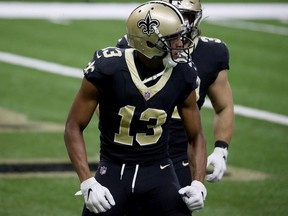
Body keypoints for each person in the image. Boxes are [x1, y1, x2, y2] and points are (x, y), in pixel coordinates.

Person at [64, 1, 207, 216]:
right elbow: (73, 126)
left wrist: (198, 183)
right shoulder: (108, 68)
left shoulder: (184, 73)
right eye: (173, 38)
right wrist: (87, 182)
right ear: (150, 42)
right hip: (113, 171)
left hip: (159, 172)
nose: (181, 43)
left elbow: (196, 136)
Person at [116, 0, 234, 187]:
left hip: (181, 156)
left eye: (185, 15)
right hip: (135, 151)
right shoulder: (134, 47)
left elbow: (224, 106)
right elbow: (105, 101)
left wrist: (221, 149)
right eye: (172, 14)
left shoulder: (212, 53)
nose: (180, 22)